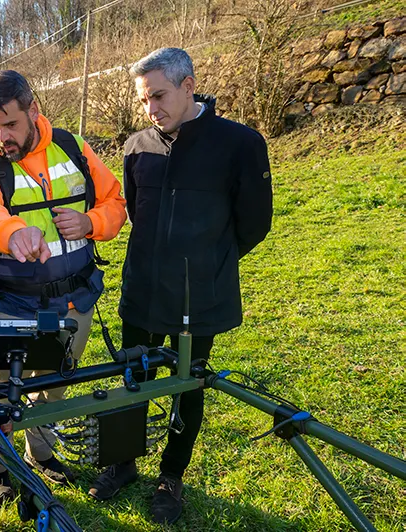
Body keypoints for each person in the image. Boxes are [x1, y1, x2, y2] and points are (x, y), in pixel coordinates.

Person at [87, 47, 273, 524]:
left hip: (199, 296)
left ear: (189, 86)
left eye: (159, 96)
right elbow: (135, 213)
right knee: (132, 377)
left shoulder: (240, 144)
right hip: (141, 290)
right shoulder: (135, 147)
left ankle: (171, 476)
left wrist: (208, 262)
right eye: (144, 100)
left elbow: (255, 221)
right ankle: (123, 462)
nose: (151, 109)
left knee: (188, 386)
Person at [0, 70, 127, 503]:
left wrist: (92, 222)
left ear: (34, 110)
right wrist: (12, 232)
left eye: (10, 124)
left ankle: (42, 455)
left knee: (52, 386)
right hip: (6, 303)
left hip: (73, 301)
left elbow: (115, 202)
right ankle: (1, 469)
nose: (2, 136)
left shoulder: (73, 147)